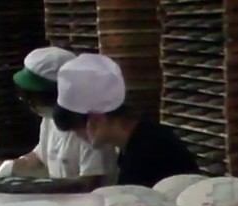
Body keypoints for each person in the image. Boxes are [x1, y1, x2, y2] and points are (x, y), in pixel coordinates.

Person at [53, 53, 200, 188]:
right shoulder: (140, 135)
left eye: (77, 131)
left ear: (97, 120)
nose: (78, 138)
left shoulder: (146, 155)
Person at [0, 47, 116, 188]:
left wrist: (39, 189)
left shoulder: (89, 128)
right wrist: (6, 167)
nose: (32, 105)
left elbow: (89, 183)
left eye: (35, 99)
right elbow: (40, 157)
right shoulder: (49, 118)